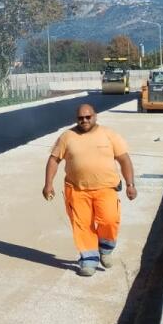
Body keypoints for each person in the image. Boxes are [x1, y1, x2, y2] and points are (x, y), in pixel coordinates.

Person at [42, 103, 137, 277]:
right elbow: (54, 160)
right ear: (76, 119)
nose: (84, 120)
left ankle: (105, 249)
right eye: (81, 118)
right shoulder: (67, 137)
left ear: (95, 116)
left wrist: (130, 184)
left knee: (110, 219)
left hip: (106, 188)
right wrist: (48, 184)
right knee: (82, 225)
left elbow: (124, 159)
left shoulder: (109, 134)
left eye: (88, 117)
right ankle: (88, 260)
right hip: (77, 190)